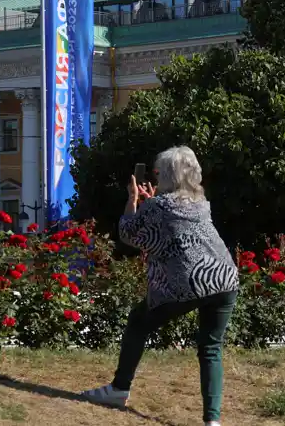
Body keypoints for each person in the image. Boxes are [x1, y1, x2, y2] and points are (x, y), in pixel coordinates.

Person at [81, 145, 239, 426]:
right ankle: (212, 421)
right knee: (211, 347)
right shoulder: (201, 203)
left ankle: (119, 389)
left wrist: (132, 199)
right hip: (225, 277)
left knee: (139, 321)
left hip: (189, 281)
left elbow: (129, 234)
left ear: (165, 175)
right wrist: (152, 205)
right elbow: (174, 229)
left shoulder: (159, 207)